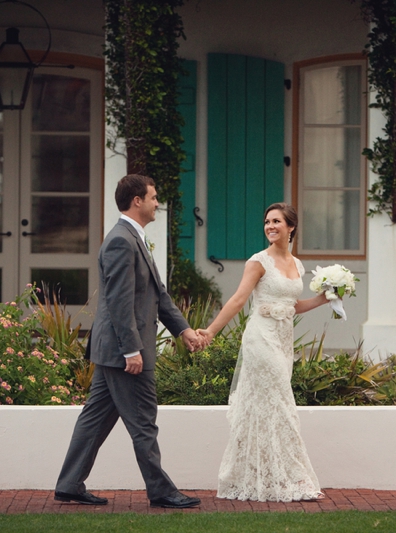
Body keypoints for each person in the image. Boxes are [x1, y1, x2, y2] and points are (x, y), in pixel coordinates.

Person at [54, 174, 203, 508]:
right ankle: (161, 491)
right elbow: (119, 302)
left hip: (114, 349)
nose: (156, 203)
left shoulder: (133, 237)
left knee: (95, 418)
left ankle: (69, 484)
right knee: (143, 421)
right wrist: (131, 350)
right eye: (153, 197)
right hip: (125, 351)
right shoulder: (122, 240)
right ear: (137, 201)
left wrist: (184, 330)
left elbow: (157, 295)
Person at [198, 203, 330, 502]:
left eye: (277, 221)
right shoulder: (258, 262)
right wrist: (211, 331)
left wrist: (324, 299)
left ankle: (263, 477)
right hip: (260, 338)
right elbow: (237, 300)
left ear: (291, 227)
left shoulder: (298, 265)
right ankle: (294, 478)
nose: (270, 226)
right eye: (267, 221)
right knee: (283, 404)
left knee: (270, 405)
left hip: (284, 340)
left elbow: (293, 306)